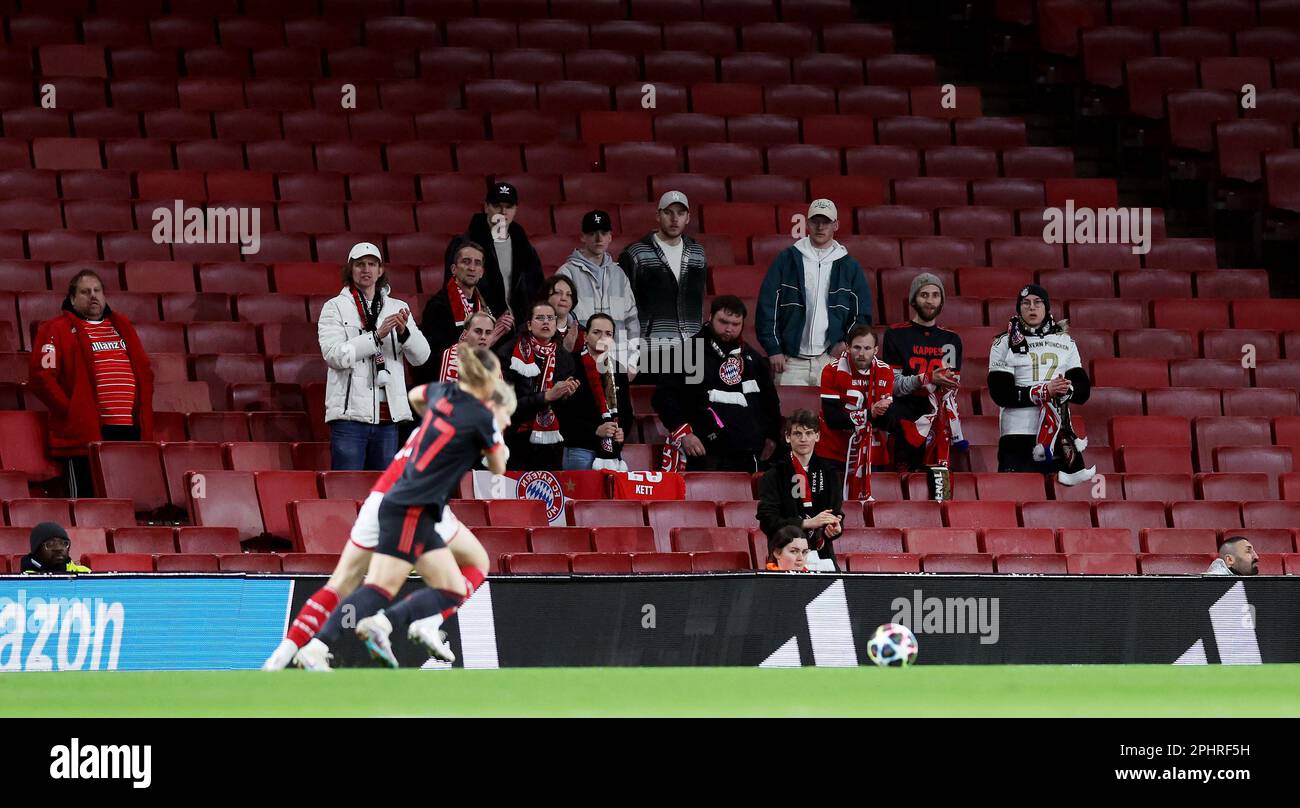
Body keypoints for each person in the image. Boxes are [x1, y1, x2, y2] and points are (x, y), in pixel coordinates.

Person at [264, 348, 511, 671]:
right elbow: (498, 465)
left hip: (382, 495)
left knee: (341, 581)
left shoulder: (442, 395)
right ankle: (403, 624)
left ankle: (283, 654)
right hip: (416, 503)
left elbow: (416, 395)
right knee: (457, 568)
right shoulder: (480, 416)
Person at [27, 269, 154, 497]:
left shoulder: (122, 325)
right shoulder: (55, 329)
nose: (93, 296)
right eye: (85, 292)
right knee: (85, 504)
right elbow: (41, 377)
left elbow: (145, 371)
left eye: (97, 291)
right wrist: (72, 410)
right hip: (84, 433)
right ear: (72, 298)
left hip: (129, 430)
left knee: (126, 502)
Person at [319, 242, 431, 471]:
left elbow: (422, 357)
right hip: (349, 418)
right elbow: (334, 355)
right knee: (346, 490)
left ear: (380, 271)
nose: (366, 269)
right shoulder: (335, 307)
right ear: (350, 269)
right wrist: (376, 337)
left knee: (380, 496)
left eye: (372, 264)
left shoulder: (398, 307)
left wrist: (404, 332)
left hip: (388, 419)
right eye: (360, 264)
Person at [654, 296, 781, 473]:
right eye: (723, 322)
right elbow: (664, 397)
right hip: (705, 452)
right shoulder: (687, 353)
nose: (729, 329)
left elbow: (771, 402)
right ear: (710, 316)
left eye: (735, 324)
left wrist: (772, 436)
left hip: (750, 454)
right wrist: (684, 433)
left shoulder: (753, 359)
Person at [756, 199, 873, 386]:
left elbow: (861, 313)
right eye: (815, 221)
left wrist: (847, 343)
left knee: (830, 414)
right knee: (789, 415)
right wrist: (774, 349)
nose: (820, 227)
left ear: (836, 225)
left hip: (829, 360)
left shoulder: (849, 266)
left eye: (826, 222)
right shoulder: (787, 259)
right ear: (807, 223)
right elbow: (768, 306)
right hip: (789, 362)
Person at [987, 284, 1095, 484]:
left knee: (1064, 504)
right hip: (1017, 434)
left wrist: (1066, 390)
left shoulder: (1066, 342)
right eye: (1025, 303)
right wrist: (1044, 391)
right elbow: (1000, 393)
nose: (1032, 307)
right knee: (1017, 495)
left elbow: (1083, 391)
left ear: (1046, 307)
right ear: (1019, 308)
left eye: (1037, 303)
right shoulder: (1003, 343)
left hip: (1059, 434)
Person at [880, 272, 965, 474]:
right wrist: (926, 379)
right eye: (924, 295)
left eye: (935, 295)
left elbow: (951, 389)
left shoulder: (952, 339)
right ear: (913, 300)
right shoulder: (895, 334)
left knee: (938, 492)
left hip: (938, 428)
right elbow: (893, 385)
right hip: (903, 425)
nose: (930, 301)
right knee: (902, 489)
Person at [619, 190, 707, 380]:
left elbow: (698, 301)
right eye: (668, 212)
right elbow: (623, 306)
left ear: (688, 217)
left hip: (691, 347)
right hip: (651, 347)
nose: (675, 219)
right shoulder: (636, 253)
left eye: (680, 213)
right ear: (658, 215)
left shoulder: (697, 253)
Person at [816, 325, 899, 499]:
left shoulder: (885, 371)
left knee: (866, 506)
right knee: (832, 508)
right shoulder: (831, 371)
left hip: (869, 450)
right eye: (857, 347)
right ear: (847, 347)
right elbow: (833, 420)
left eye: (867, 348)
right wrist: (871, 414)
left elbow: (888, 422)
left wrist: (873, 415)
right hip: (833, 450)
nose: (862, 353)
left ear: (876, 349)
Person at [497, 300, 580, 471]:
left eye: (550, 318)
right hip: (516, 437)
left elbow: (569, 412)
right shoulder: (509, 352)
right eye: (540, 318)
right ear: (529, 324)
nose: (546, 322)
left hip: (552, 442)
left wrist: (567, 395)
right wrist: (546, 396)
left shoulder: (564, 358)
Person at [443, 181, 543, 322]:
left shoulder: (525, 248)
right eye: (497, 206)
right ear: (486, 207)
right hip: (482, 328)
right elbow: (452, 289)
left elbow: (537, 289)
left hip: (521, 327)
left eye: (509, 207)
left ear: (516, 210)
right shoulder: (463, 244)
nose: (503, 212)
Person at [416, 240, 512, 386]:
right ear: (454, 269)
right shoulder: (438, 306)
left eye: (477, 263)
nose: (472, 268)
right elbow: (432, 356)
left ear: (482, 272)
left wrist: (490, 337)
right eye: (466, 262)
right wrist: (484, 341)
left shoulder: (485, 308)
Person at [556, 209, 641, 374]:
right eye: (592, 233)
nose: (599, 238)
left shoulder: (619, 275)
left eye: (603, 233)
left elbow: (632, 321)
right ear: (583, 237)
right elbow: (560, 323)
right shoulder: (566, 273)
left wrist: (631, 361)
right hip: (580, 365)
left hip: (618, 365)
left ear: (610, 236)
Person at [757, 410, 844, 568]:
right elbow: (767, 521)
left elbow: (836, 513)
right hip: (786, 558)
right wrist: (806, 523)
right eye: (797, 433)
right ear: (787, 437)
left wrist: (835, 528)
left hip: (823, 556)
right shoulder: (773, 475)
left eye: (809, 433)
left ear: (817, 436)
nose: (803, 439)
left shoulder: (830, 474)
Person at [556, 313, 635, 471]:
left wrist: (622, 431)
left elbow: (626, 412)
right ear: (585, 336)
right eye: (596, 332)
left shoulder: (619, 369)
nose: (602, 337)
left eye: (608, 334)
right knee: (579, 496)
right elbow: (561, 412)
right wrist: (595, 430)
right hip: (580, 449)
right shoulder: (569, 364)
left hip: (612, 451)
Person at [438, 311, 497, 383]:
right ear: (465, 334)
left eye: (488, 332)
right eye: (478, 331)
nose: (483, 337)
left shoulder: (493, 362)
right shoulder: (446, 358)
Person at [19, 522, 92, 574]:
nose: (59, 548)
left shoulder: (85, 573)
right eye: (50, 544)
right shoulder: (27, 579)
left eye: (64, 543)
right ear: (37, 550)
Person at [540, 274, 584, 353]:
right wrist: (565, 350)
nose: (564, 298)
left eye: (568, 295)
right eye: (558, 293)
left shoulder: (582, 333)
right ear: (546, 297)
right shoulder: (532, 329)